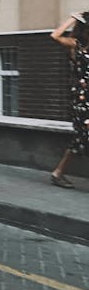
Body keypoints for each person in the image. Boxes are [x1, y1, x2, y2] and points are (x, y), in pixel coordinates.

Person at [49, 9, 89, 188]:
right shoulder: (75, 44)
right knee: (84, 135)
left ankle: (58, 173)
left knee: (81, 138)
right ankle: (58, 173)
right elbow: (55, 35)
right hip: (82, 99)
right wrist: (73, 17)